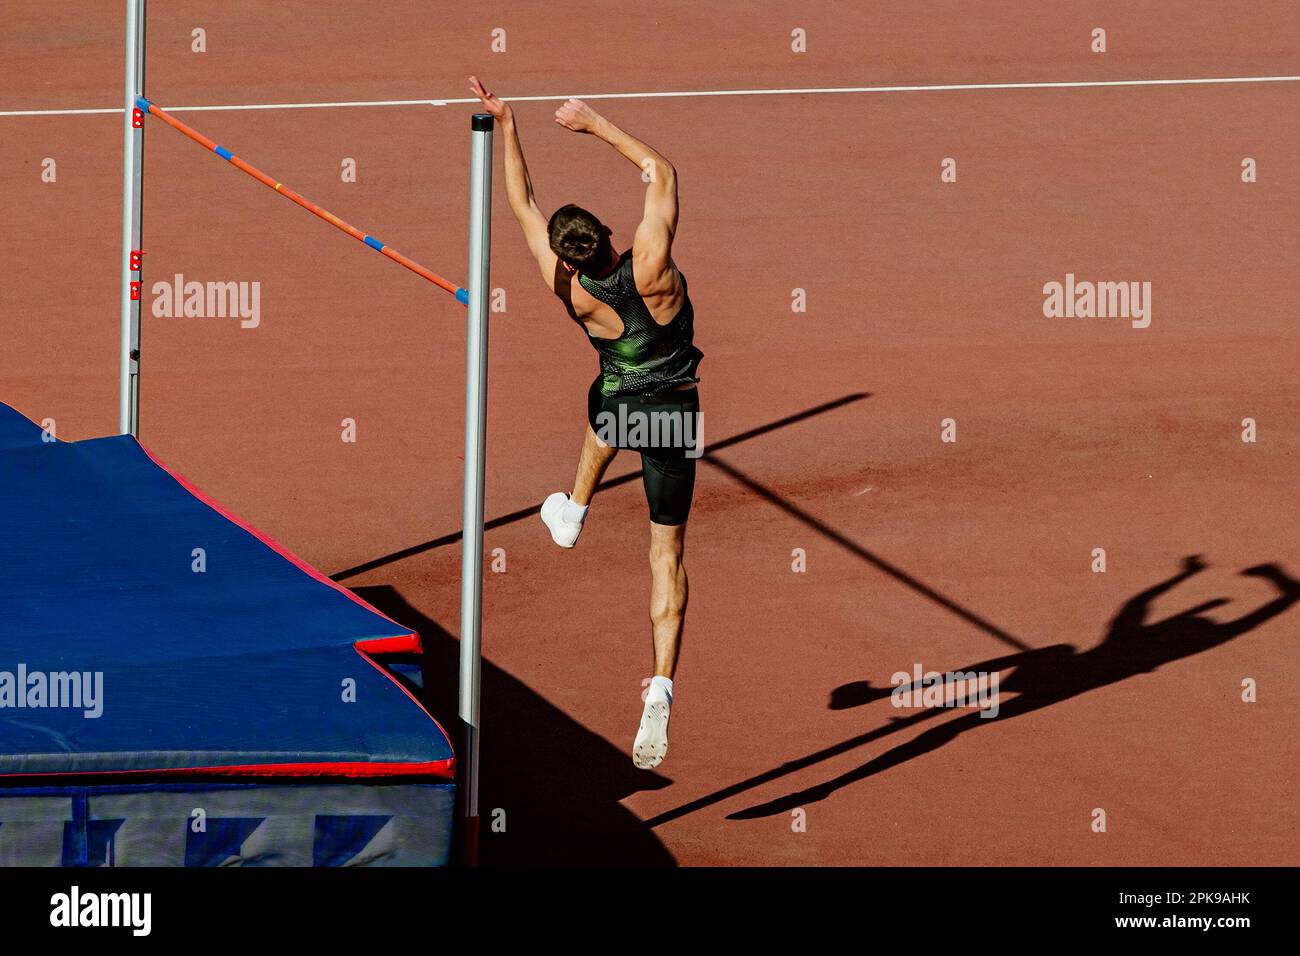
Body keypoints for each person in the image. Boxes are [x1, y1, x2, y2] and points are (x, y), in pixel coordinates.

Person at [469, 76, 703, 769]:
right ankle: (659, 685)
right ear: (605, 233)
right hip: (677, 417)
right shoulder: (652, 258)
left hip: (622, 403)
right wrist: (595, 123)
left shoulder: (566, 286)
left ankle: (574, 507)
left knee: (606, 408)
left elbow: (521, 203)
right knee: (667, 555)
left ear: (566, 256)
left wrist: (507, 122)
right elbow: (660, 169)